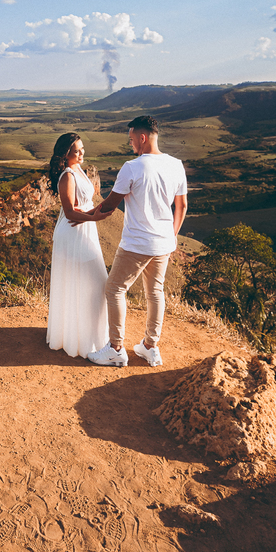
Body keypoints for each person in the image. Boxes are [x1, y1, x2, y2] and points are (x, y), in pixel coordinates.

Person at [88, 116, 187, 368]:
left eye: (132, 139)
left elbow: (110, 204)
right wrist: (171, 235)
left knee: (115, 289)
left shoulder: (132, 167)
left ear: (142, 137)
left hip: (137, 244)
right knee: (155, 292)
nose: (130, 144)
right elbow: (182, 205)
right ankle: (150, 347)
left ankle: (116, 348)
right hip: (164, 242)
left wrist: (82, 218)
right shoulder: (176, 165)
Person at [45, 132, 110, 359]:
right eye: (76, 150)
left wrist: (97, 210)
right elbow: (70, 212)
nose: (81, 153)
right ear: (66, 154)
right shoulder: (67, 176)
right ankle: (77, 338)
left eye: (82, 148)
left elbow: (82, 205)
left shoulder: (80, 170)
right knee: (92, 281)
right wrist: (95, 217)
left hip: (85, 229)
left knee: (89, 283)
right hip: (73, 234)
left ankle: (89, 334)